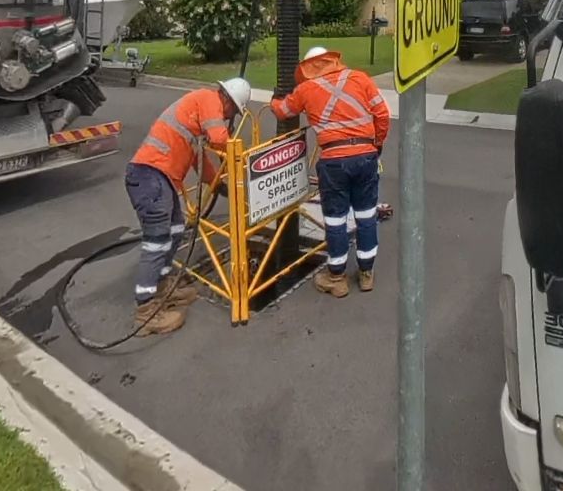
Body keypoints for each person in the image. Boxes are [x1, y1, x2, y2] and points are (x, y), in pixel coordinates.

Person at [125, 77, 256, 335]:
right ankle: (145, 312)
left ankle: (162, 287)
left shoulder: (196, 119)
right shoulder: (207, 99)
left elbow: (202, 163)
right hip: (149, 175)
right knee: (158, 241)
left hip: (161, 179)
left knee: (175, 230)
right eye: (234, 112)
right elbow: (220, 138)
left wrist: (220, 186)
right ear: (228, 100)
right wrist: (239, 156)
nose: (230, 116)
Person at [270, 47, 390, 297]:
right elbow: (382, 114)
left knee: (336, 220)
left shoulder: (305, 90)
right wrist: (376, 145)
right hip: (365, 156)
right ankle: (367, 274)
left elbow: (283, 111)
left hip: (334, 161)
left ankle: (337, 278)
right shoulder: (359, 78)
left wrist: (275, 99)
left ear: (307, 67)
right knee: (366, 215)